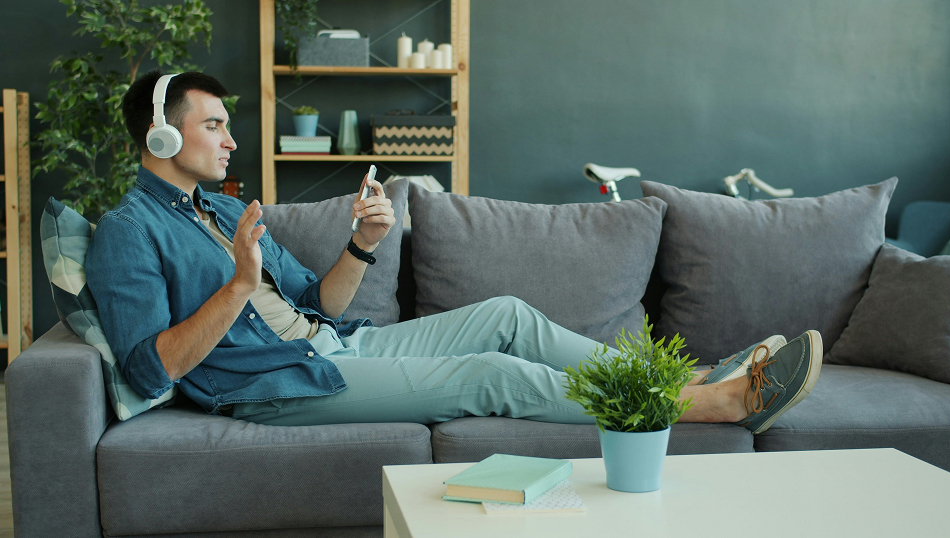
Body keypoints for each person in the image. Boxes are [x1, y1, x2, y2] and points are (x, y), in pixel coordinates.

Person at [86, 70, 822, 435]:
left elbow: (318, 305)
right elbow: (152, 369)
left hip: (332, 344)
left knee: (506, 315)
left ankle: (675, 371)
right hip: (276, 387)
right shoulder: (128, 232)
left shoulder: (216, 208)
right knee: (490, 374)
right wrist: (238, 288)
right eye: (213, 125)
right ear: (161, 136)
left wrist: (363, 245)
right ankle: (714, 403)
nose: (230, 138)